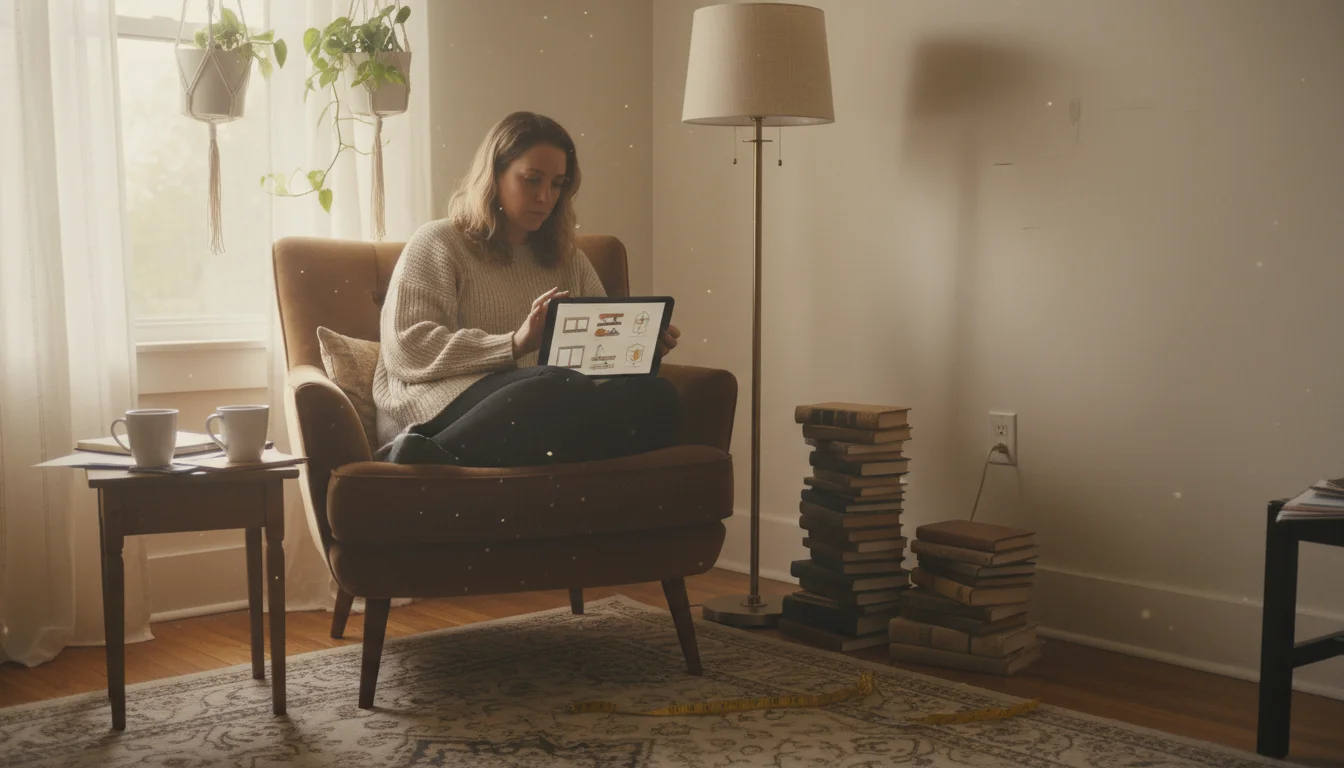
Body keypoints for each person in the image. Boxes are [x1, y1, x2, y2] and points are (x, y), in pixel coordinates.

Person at [373, 111, 683, 466]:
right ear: (495, 176)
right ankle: (421, 450)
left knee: (657, 397)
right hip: (438, 404)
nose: (545, 197)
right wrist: (515, 343)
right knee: (560, 387)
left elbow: (597, 359)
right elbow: (407, 350)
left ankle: (456, 458)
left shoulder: (569, 259)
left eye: (557, 184)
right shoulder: (439, 242)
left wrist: (641, 349)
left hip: (540, 407)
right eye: (532, 180)